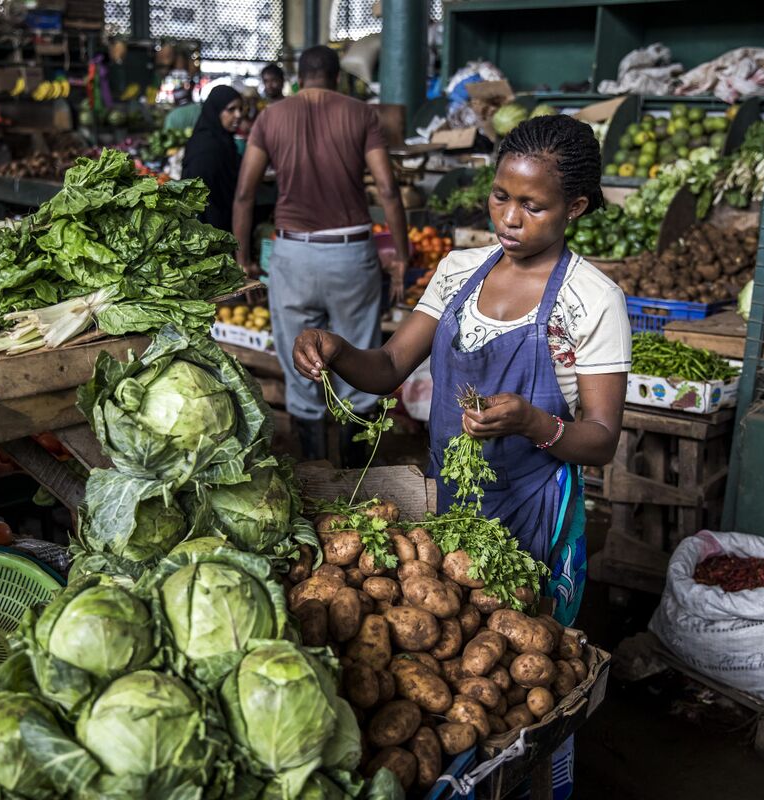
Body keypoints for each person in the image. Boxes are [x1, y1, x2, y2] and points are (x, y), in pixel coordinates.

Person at [294, 114, 630, 624]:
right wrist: (336, 349)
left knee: (519, 632)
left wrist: (531, 422)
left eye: (532, 206)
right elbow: (387, 367)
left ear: (576, 207)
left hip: (531, 509)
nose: (510, 219)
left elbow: (602, 439)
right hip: (449, 497)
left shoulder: (593, 299)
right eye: (501, 197)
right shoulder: (458, 270)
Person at [234, 45, 410, 464]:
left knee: (302, 367)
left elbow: (244, 193)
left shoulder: (271, 116)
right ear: (336, 77)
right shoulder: (360, 113)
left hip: (292, 254)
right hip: (350, 255)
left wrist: (242, 258)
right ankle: (355, 478)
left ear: (299, 76)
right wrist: (401, 253)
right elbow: (387, 188)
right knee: (359, 360)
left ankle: (315, 475)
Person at [181, 86, 243, 232]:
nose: (238, 115)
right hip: (209, 230)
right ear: (215, 111)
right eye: (231, 109)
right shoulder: (206, 148)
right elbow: (202, 200)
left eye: (241, 109)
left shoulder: (225, 142)